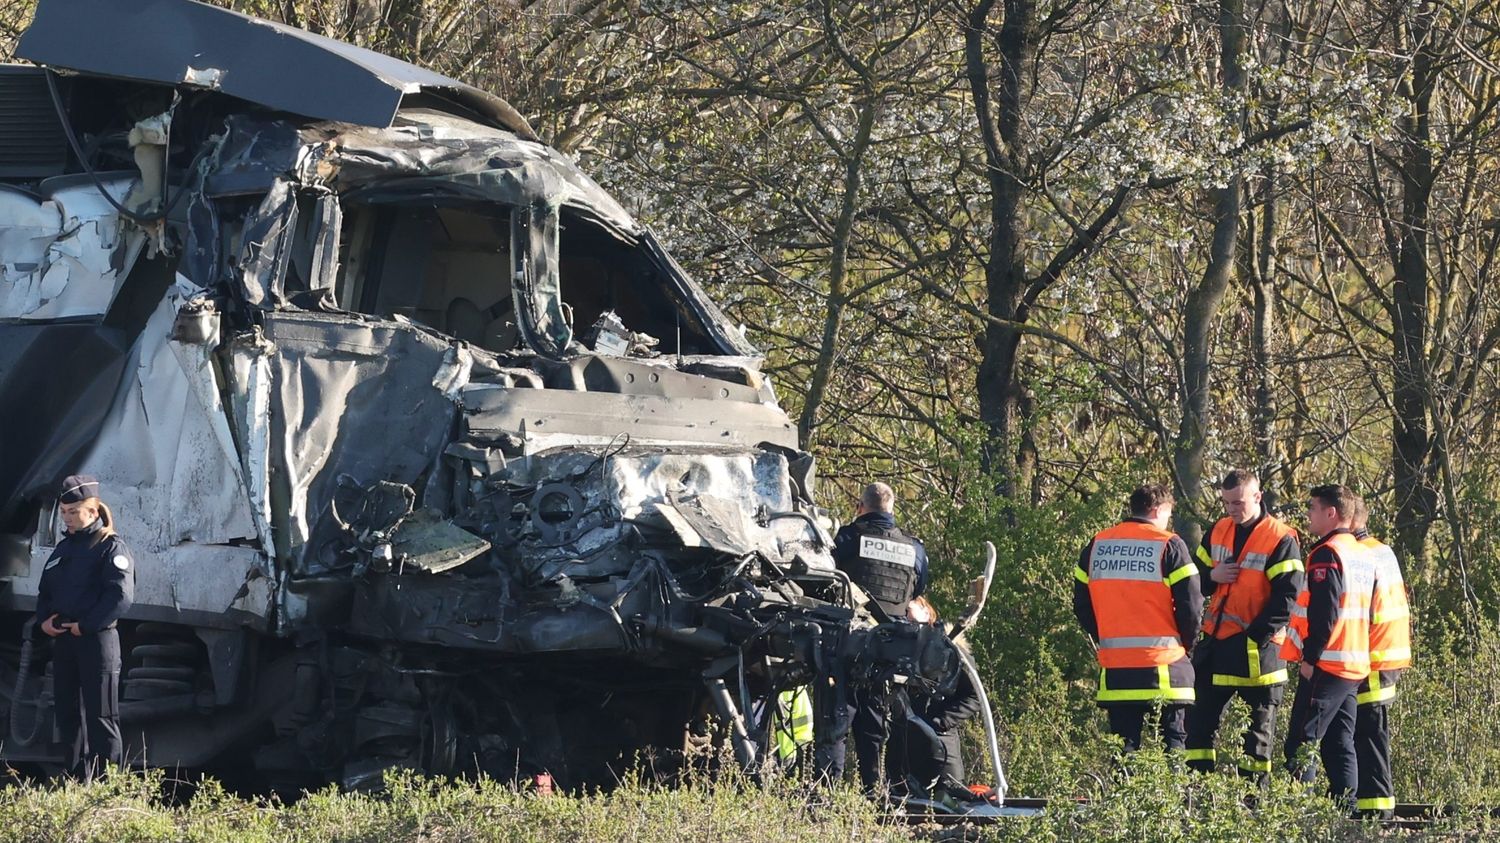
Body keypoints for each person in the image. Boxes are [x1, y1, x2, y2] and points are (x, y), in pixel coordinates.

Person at [1185, 470, 1303, 783]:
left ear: (1257, 497)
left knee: (1258, 735)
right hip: (1216, 646)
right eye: (1225, 502)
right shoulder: (1219, 529)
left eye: (1237, 502)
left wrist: (1255, 637)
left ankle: (1254, 804)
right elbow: (1193, 578)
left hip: (1258, 652)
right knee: (1197, 725)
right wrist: (1212, 576)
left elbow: (1288, 596)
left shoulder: (1281, 537)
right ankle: (1199, 794)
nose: (1231, 509)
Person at [1073, 482, 1202, 752]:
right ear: (1157, 510)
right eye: (1168, 515)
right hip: (1165, 669)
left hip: (1117, 672)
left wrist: (1106, 635)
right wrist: (1186, 644)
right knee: (1173, 750)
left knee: (1124, 753)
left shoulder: (1098, 545)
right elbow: (1191, 605)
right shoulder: (1169, 545)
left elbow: (1082, 606)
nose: (1169, 522)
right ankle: (1173, 797)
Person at [822, 482, 929, 792]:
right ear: (892, 509)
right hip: (889, 650)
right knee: (874, 722)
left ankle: (828, 793)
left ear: (860, 507)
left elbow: (826, 577)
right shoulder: (913, 548)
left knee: (837, 720)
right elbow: (917, 590)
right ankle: (873, 792)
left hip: (848, 642)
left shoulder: (846, 538)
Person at [34, 475, 134, 780]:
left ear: (92, 512)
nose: (67, 518)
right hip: (65, 642)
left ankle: (106, 787)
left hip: (96, 641)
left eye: (73, 512)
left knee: (101, 716)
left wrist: (85, 626)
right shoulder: (64, 550)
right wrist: (44, 622)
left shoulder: (109, 546)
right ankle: (74, 782)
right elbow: (45, 593)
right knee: (66, 714)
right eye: (64, 512)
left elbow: (120, 596)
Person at [1280, 484, 1375, 808]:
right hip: (1353, 664)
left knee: (1301, 742)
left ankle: (1299, 815)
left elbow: (1325, 612)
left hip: (1328, 663)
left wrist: (1311, 658)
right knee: (1339, 743)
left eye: (1313, 508)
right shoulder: (1362, 554)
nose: (1309, 514)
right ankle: (1343, 814)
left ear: (1331, 513)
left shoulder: (1328, 553)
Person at [885, 597, 982, 800]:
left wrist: (941, 721)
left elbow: (975, 696)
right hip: (904, 742)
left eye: (909, 610)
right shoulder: (891, 649)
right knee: (901, 799)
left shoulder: (951, 651)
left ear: (926, 612)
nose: (905, 616)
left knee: (951, 797)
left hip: (941, 738)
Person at [1350, 503, 1411, 819]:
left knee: (1369, 734)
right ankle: (1375, 808)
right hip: (1388, 653)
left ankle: (1375, 812)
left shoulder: (1359, 556)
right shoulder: (1381, 549)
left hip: (1371, 656)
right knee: (1371, 732)